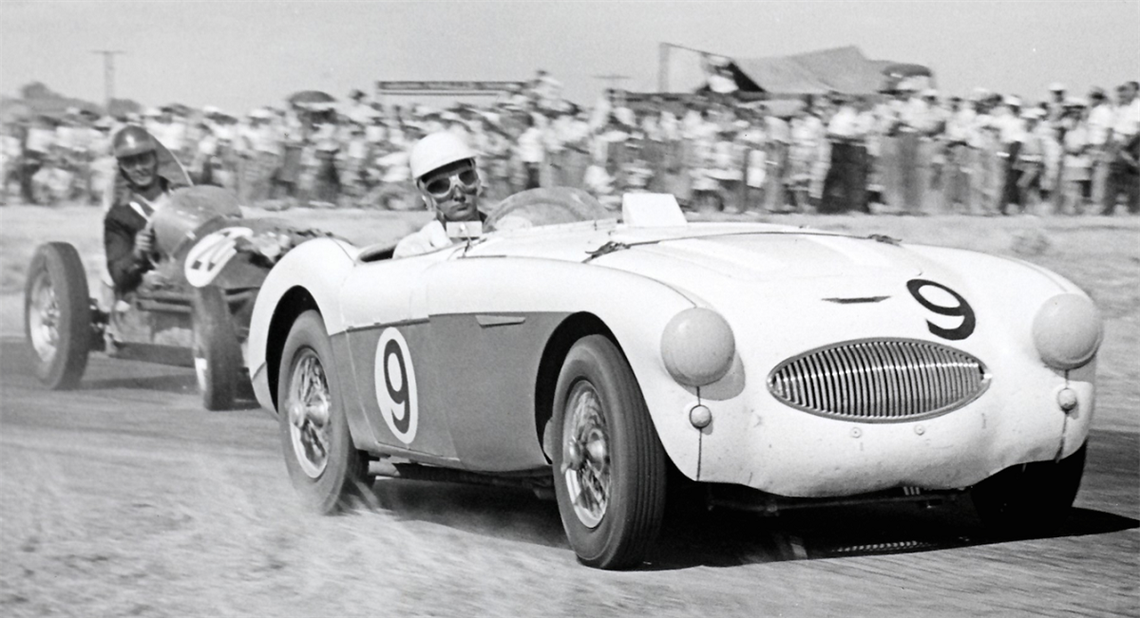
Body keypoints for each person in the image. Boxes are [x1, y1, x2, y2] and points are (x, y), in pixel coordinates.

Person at [103, 126, 187, 295]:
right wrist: (136, 253)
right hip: (152, 298)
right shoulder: (119, 216)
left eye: (144, 159)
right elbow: (118, 274)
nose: (139, 168)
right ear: (122, 168)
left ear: (155, 159)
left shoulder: (182, 196)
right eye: (129, 163)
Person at [393, 132, 485, 258]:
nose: (458, 195)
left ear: (477, 182)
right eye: (440, 186)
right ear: (427, 197)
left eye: (466, 178)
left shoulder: (508, 231)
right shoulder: (416, 250)